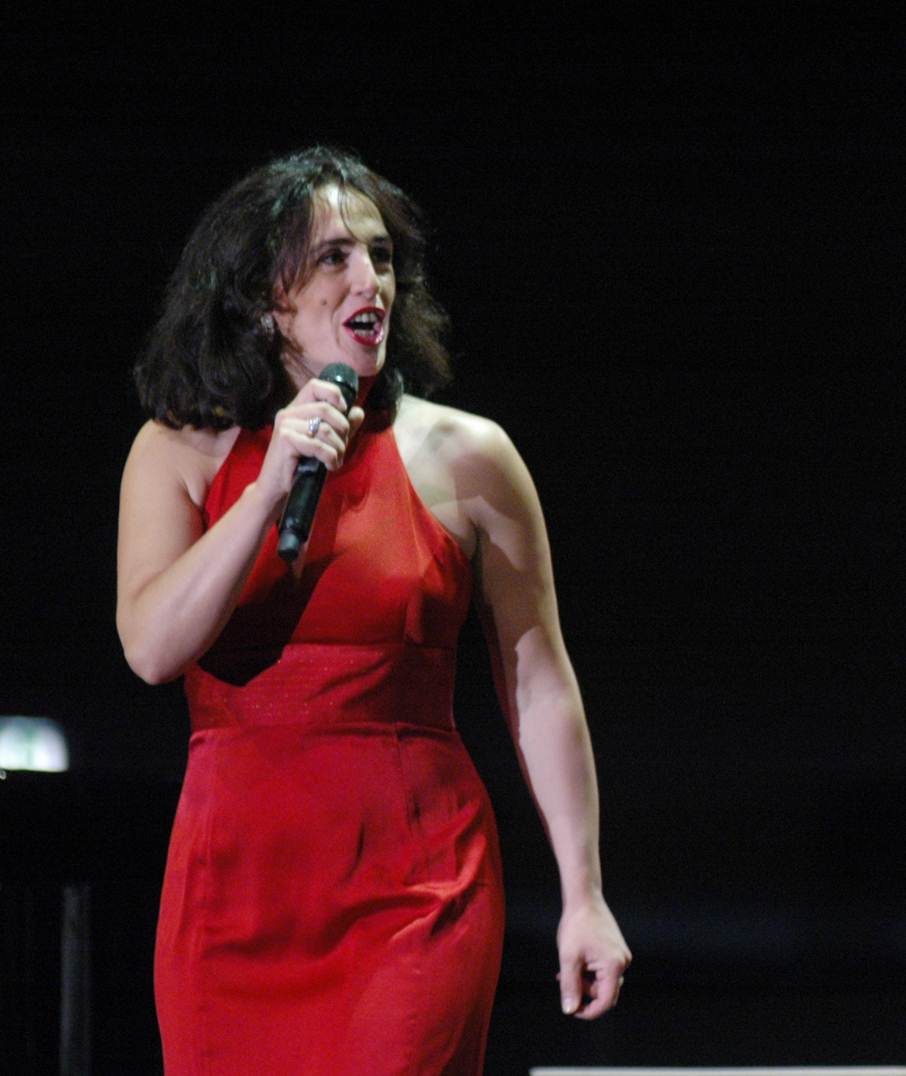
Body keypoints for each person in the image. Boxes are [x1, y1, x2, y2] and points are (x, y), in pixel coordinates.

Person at [117, 145, 630, 1074]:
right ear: (262, 299)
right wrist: (267, 488)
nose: (371, 280)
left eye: (382, 256)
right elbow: (152, 649)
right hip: (232, 898)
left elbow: (539, 681)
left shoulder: (471, 457)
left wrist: (584, 893)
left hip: (416, 891)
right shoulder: (176, 450)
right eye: (333, 258)